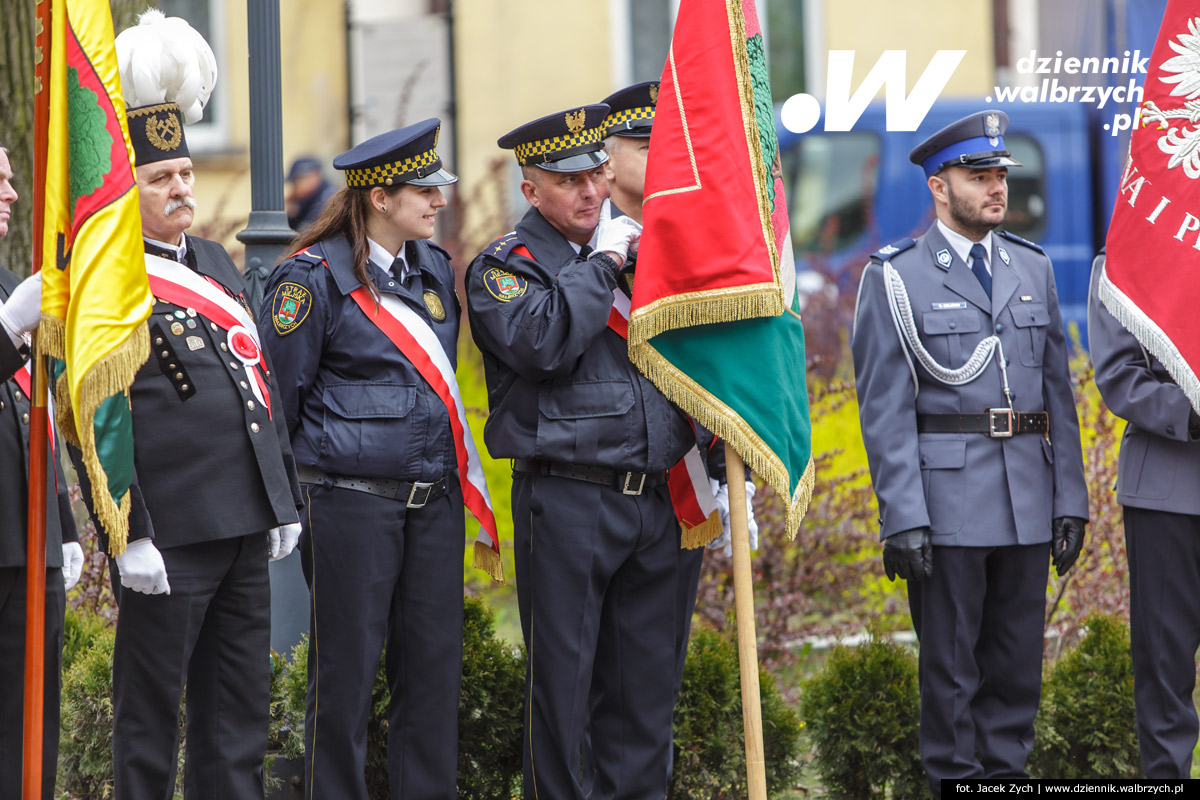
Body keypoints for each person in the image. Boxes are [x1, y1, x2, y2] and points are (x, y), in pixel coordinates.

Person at [73, 12, 303, 799]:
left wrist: (282, 501)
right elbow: (96, 412)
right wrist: (128, 534)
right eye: (159, 179)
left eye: (183, 175)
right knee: (149, 723)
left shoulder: (211, 259)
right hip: (169, 534)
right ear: (125, 193)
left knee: (236, 721)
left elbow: (253, 389)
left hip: (243, 523)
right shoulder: (109, 279)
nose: (180, 189)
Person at [851, 110, 1089, 794]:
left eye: (999, 175)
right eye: (977, 175)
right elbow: (884, 409)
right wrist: (903, 516)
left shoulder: (1032, 267)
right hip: (947, 504)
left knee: (1016, 671)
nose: (995, 188)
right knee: (952, 674)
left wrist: (1070, 500)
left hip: (1027, 500)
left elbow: (1059, 397)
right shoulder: (896, 278)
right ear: (938, 186)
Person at [466, 103, 692, 799]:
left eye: (598, 173)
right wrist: (602, 267)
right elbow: (541, 343)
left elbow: (689, 361)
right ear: (531, 190)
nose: (591, 191)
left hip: (658, 500)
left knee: (646, 704)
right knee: (563, 702)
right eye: (569, 182)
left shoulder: (640, 255)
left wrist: (716, 457)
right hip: (569, 500)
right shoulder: (506, 267)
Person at [259, 119, 468, 800]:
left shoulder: (433, 270)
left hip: (431, 504)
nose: (439, 201)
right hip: (349, 502)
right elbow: (280, 401)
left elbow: (439, 386)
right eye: (425, 191)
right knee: (344, 682)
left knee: (433, 678)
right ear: (380, 198)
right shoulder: (310, 278)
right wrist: (287, 505)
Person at [1088, 250, 1200, 777]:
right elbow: (1119, 376)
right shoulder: (1129, 257)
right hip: (1168, 490)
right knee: (1164, 663)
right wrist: (1193, 412)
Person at [0, 140, 82, 800]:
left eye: (11, 179)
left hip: (28, 542)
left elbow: (35, 412)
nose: (13, 194)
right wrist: (6, 330)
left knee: (32, 733)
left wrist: (64, 523)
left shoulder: (6, 283)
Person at [285, 156, 337, 232]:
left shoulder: (327, 198)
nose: (295, 187)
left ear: (315, 176)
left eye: (298, 181)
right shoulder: (306, 199)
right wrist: (291, 214)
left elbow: (306, 232)